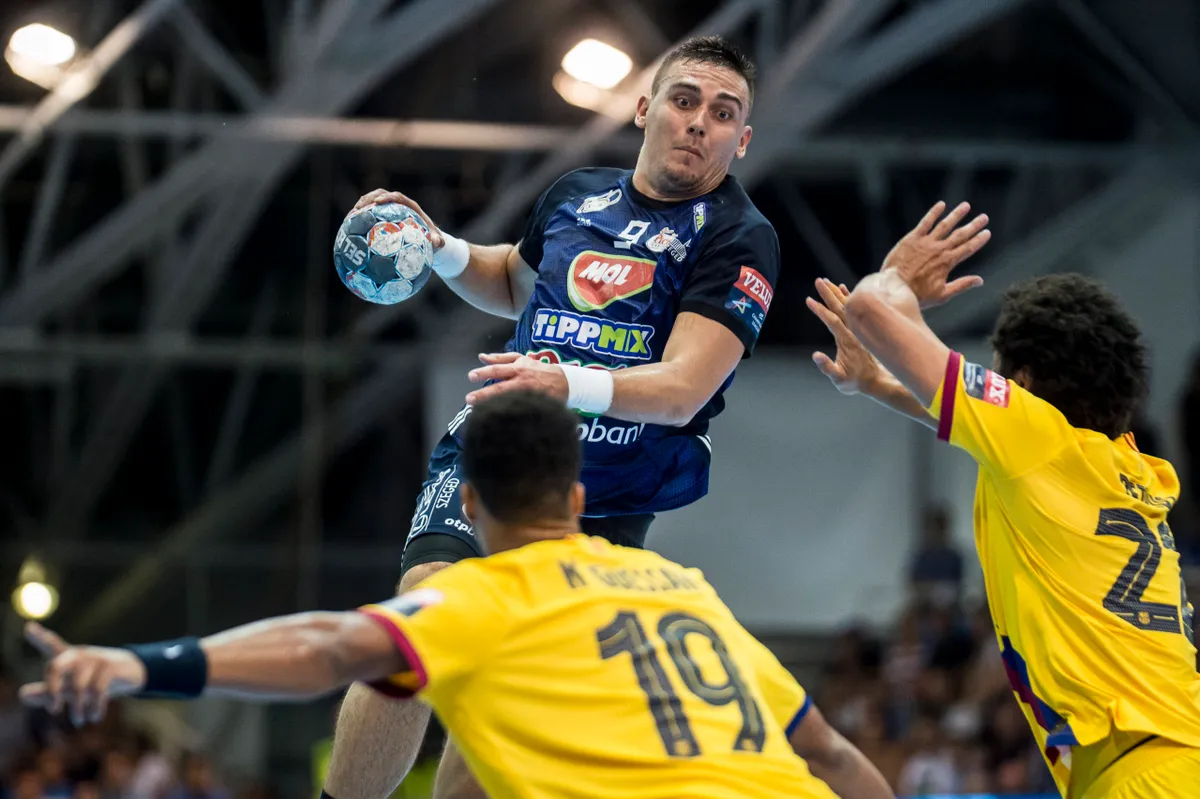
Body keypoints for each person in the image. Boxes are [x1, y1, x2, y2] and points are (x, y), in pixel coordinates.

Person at [19, 392, 893, 799]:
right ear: (578, 499)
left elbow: (324, 648)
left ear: (468, 505)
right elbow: (833, 755)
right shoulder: (684, 590)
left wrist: (135, 666)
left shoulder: (487, 598)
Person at [337, 34, 783, 798]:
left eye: (722, 112)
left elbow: (683, 387)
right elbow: (517, 284)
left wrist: (565, 383)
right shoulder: (577, 194)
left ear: (741, 140)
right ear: (644, 108)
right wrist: (439, 248)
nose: (698, 122)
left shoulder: (740, 236)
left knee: (518, 681)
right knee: (423, 615)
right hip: (500, 449)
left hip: (606, 495)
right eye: (684, 101)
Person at [805, 199, 1200, 798]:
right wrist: (876, 383)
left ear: (1025, 383)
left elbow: (869, 308)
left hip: (1142, 774)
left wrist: (899, 277)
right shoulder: (1124, 461)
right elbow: (973, 422)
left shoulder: (1035, 437)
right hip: (1168, 754)